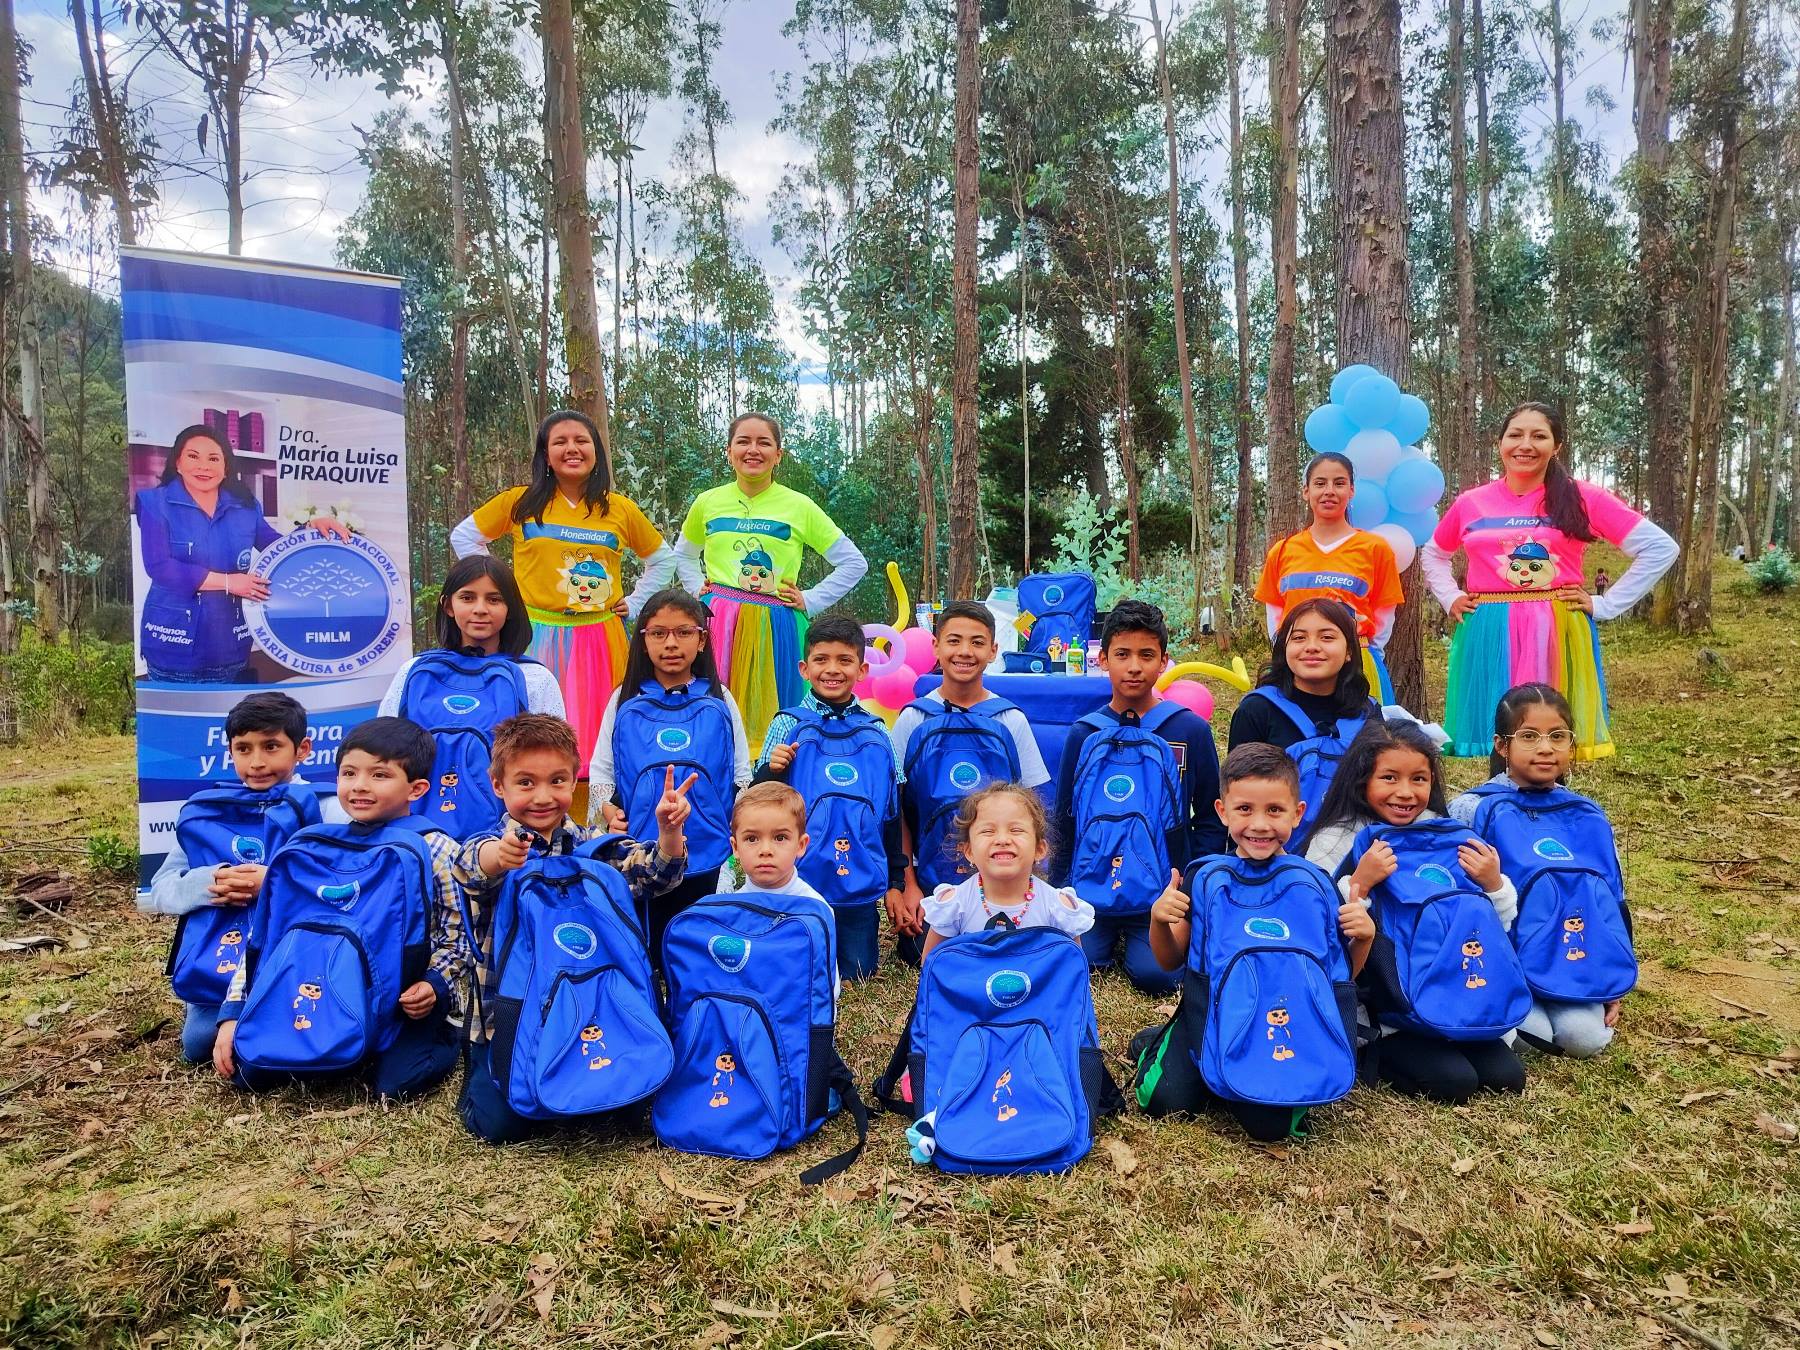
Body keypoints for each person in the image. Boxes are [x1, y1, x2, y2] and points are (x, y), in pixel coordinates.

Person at [453, 713, 692, 1144]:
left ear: (573, 782)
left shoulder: (592, 847)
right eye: (525, 783)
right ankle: (478, 1076)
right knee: (504, 1126)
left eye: (558, 781)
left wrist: (669, 832)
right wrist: (501, 856)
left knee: (630, 1105)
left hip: (593, 1004)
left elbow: (653, 875)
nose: (542, 797)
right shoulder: (491, 844)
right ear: (498, 785)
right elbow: (472, 869)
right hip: (510, 1015)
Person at [210, 717, 465, 1101]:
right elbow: (266, 940)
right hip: (322, 988)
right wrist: (234, 1012)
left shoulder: (437, 850)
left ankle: (445, 1035)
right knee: (252, 1074)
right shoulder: (312, 849)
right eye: (349, 772)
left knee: (396, 1086)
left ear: (417, 788)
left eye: (380, 775)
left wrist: (435, 983)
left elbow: (459, 934)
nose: (360, 785)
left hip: (402, 999)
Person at [1136, 743, 1374, 1142]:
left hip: (1286, 1017)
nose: (1260, 825)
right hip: (1210, 1015)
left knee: (1271, 1127)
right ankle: (1157, 1043)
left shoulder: (1315, 884)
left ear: (1297, 814)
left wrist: (1363, 938)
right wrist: (1160, 920)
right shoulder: (1205, 878)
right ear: (1222, 811)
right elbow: (1168, 959)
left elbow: (1339, 976)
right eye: (1245, 809)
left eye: (1274, 811)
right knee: (1164, 1101)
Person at [1422, 402, 1678, 760]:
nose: (1525, 444)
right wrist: (1450, 597)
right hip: (1489, 629)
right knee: (1500, 732)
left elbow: (1659, 547)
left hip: (1554, 628)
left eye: (1539, 436)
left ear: (1556, 446)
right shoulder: (1472, 503)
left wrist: (1606, 604)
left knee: (1546, 733)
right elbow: (1433, 553)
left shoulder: (1581, 496)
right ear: (1500, 443)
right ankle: (1499, 806)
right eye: (1515, 435)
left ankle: (1547, 807)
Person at [1301, 719, 1526, 1104]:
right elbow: (1322, 935)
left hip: (1448, 984)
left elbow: (1487, 926)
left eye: (1419, 779)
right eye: (1389, 778)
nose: (1405, 793)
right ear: (1361, 780)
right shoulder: (1336, 838)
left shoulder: (1445, 835)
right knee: (1454, 1082)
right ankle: (1378, 1047)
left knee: (1506, 1076)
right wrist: (1361, 884)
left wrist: (1493, 885)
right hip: (1382, 1006)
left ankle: (1446, 1027)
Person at [450, 409, 680, 778]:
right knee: (531, 728)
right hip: (534, 634)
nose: (571, 449)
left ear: (596, 452)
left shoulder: (618, 508)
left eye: (581, 441)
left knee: (600, 732)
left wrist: (635, 603)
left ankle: (596, 814)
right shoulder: (520, 502)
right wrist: (501, 591)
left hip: (600, 637)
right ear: (545, 453)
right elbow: (464, 536)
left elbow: (662, 558)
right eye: (560, 442)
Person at [1050, 599, 1227, 994]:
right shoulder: (1084, 734)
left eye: (1146, 655)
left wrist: (1191, 885)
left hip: (1164, 888)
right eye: (1122, 654)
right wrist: (1060, 889)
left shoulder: (1189, 730)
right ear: (1103, 660)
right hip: (1092, 883)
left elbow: (1212, 817)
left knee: (1158, 975)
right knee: (1078, 959)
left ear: (1164, 661)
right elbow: (1065, 817)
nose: (1134, 666)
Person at [142, 691, 320, 1063]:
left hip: (294, 954)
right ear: (230, 751)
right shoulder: (211, 814)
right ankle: (216, 1006)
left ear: (302, 749)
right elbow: (162, 887)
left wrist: (273, 883)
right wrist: (212, 881)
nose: (256, 762)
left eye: (272, 746)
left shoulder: (329, 806)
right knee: (198, 1047)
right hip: (219, 956)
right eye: (244, 748)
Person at [1448, 683, 1622, 1058]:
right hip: (1499, 961)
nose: (1546, 748)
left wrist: (1611, 982)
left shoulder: (1588, 815)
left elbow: (1611, 903)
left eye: (1558, 736)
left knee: (1584, 1040)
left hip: (1570, 962)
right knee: (1533, 1038)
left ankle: (1565, 1001)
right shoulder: (1472, 808)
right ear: (1501, 745)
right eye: (1529, 736)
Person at [673, 413, 868, 745]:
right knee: (712, 710)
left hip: (777, 626)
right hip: (719, 623)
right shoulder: (707, 503)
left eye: (764, 442)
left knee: (776, 721)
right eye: (743, 441)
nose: (753, 450)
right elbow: (683, 554)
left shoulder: (799, 506)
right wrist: (696, 588)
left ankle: (769, 786)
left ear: (778, 454)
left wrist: (811, 599)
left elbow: (853, 562)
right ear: (728, 450)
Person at [588, 588, 753, 958]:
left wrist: (736, 823)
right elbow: (602, 772)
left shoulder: (721, 698)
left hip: (706, 845)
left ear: (702, 639)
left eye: (683, 632)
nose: (671, 643)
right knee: (645, 946)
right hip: (641, 849)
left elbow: (741, 773)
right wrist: (607, 812)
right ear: (643, 640)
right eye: (658, 633)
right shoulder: (623, 699)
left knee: (696, 947)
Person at [889, 600, 1052, 966]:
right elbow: (897, 809)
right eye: (954, 641)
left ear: (994, 650)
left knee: (1008, 949)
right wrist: (907, 885)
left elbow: (1034, 808)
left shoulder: (1010, 719)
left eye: (977, 642)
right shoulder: (914, 719)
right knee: (922, 953)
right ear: (935, 646)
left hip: (1002, 881)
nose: (965, 651)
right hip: (931, 880)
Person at [752, 615, 906, 982]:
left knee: (859, 971)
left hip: (860, 879)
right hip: (796, 879)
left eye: (844, 660)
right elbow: (756, 803)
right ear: (805, 668)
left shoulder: (877, 730)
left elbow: (892, 811)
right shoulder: (787, 723)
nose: (832, 670)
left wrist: (896, 881)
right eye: (821, 660)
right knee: (798, 969)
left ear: (863, 668)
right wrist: (771, 770)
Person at [134, 424, 348, 683]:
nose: (203, 466)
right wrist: (228, 582)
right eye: (193, 456)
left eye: (213, 458)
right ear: (177, 463)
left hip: (230, 643)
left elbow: (274, 546)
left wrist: (310, 529)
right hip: (173, 643)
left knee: (229, 720)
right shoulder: (153, 503)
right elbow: (160, 567)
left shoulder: (245, 506)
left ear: (225, 468)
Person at [1254, 451, 1406, 702]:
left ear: (1352, 491)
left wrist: (1359, 653)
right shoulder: (1282, 551)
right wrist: (1290, 654)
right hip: (1298, 666)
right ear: (1306, 491)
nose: (1329, 491)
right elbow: (1275, 617)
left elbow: (1384, 615)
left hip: (1356, 665)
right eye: (1320, 483)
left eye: (1339, 483)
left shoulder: (1375, 549)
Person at [919, 783, 1094, 960]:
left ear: (1039, 849)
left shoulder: (1058, 908)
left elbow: (1074, 969)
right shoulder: (954, 905)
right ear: (969, 851)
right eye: (988, 831)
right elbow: (931, 965)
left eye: (1016, 830)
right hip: (971, 987)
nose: (1002, 840)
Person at [377, 556, 562, 718]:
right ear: (448, 605)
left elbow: (555, 754)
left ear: (510, 608)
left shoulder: (535, 678)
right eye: (467, 598)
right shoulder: (413, 671)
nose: (480, 609)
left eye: (494, 599)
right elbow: (384, 748)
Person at [1228, 599, 1378, 753]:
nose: (1311, 647)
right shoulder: (1256, 711)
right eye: (1299, 638)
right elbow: (1238, 776)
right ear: (1284, 647)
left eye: (1327, 637)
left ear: (1349, 651)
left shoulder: (1367, 712)